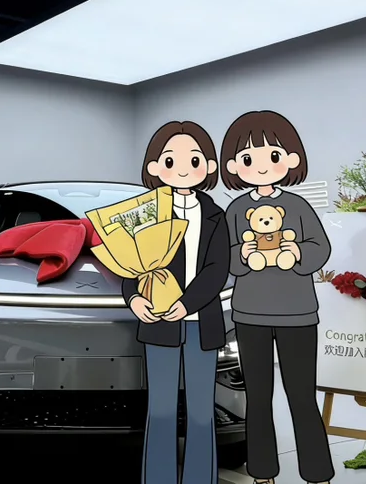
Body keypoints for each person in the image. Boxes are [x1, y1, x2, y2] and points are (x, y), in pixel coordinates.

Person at [221, 110, 334, 484]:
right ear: (234, 166)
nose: (261, 166)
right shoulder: (236, 209)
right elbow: (226, 258)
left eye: (272, 155)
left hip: (297, 314)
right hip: (249, 314)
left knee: (301, 395)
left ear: (291, 159)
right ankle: (262, 471)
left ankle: (317, 472)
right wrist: (245, 254)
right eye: (248, 158)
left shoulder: (297, 206)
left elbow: (320, 247)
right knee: (257, 396)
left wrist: (295, 252)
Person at [123, 121, 230, 484]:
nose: (183, 168)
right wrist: (133, 298)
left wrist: (187, 304)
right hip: (157, 323)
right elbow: (130, 263)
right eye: (171, 161)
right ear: (154, 167)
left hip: (203, 324)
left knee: (201, 412)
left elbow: (218, 270)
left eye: (194, 160)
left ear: (209, 166)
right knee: (161, 410)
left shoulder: (216, 215)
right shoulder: (146, 212)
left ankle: (201, 479)